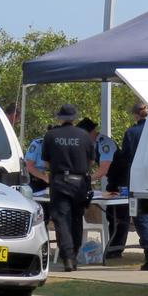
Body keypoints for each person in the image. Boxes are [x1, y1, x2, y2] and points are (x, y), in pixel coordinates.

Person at [41, 104, 95, 272]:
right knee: (77, 220)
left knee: (62, 221)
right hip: (79, 182)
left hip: (59, 182)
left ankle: (68, 258)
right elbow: (91, 162)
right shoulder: (85, 136)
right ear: (75, 118)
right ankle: (75, 254)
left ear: (60, 118)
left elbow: (46, 162)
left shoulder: (50, 136)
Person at [77, 117, 128, 258]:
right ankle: (113, 247)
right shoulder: (91, 144)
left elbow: (103, 170)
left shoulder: (105, 143)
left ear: (91, 132)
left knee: (121, 216)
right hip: (113, 180)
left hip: (123, 180)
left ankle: (116, 249)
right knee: (112, 215)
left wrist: (85, 180)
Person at [123, 100, 148, 271]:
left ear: (134, 115)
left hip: (138, 180)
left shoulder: (131, 133)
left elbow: (125, 157)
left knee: (142, 218)